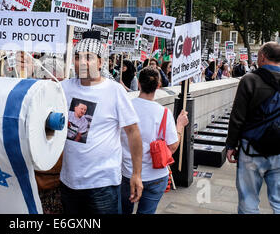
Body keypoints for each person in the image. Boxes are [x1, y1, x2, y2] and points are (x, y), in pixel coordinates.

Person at [59, 31, 143, 214]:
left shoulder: (114, 91)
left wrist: (136, 174)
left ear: (100, 61)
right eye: (77, 57)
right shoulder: (63, 88)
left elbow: (133, 132)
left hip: (102, 185)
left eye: (88, 57)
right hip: (69, 181)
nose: (82, 62)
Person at [121, 67, 189, 214]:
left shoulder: (126, 107)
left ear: (138, 83)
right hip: (155, 176)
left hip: (127, 173)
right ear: (158, 86)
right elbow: (172, 146)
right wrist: (180, 125)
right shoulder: (163, 112)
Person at [226, 42, 280, 214]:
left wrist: (230, 145)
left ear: (263, 57)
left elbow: (237, 117)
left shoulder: (250, 79)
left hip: (251, 150)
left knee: (248, 200)